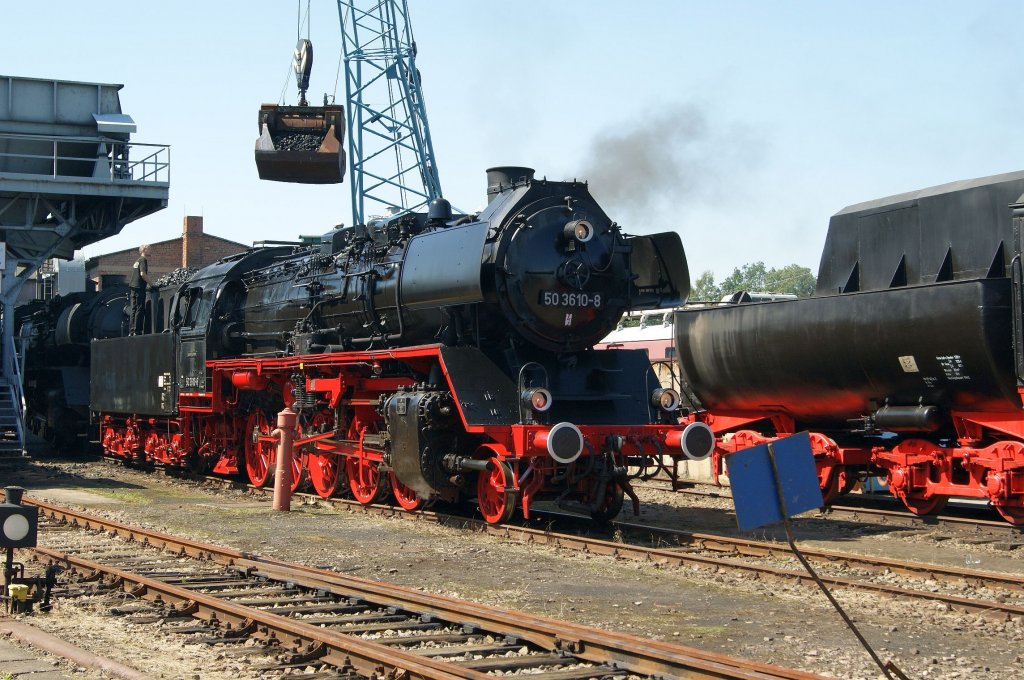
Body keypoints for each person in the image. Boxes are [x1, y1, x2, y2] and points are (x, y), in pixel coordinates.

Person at [129, 244, 151, 335]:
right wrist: (151, 284)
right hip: (139, 287)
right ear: (144, 250)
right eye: (149, 249)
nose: (150, 251)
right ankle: (137, 331)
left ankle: (131, 330)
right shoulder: (143, 260)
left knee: (133, 309)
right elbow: (142, 274)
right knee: (140, 308)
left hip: (133, 287)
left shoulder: (136, 261)